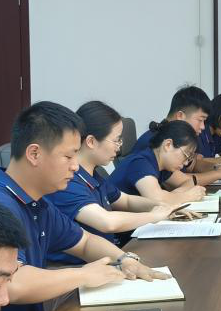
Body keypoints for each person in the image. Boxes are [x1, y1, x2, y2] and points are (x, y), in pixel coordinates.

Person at [0, 101, 168, 311]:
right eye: (68, 156)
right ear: (34, 154)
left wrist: (124, 259)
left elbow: (84, 242)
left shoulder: (38, 202)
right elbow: (13, 283)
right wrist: (83, 275)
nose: (76, 166)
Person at [44, 100, 201, 258]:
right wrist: (154, 216)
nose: (119, 147)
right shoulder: (68, 181)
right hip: (76, 266)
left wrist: (165, 208)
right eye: (116, 140)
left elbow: (126, 200)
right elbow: (107, 222)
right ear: (91, 141)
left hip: (104, 257)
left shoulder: (94, 176)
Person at [130, 85, 221, 187]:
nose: (202, 127)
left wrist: (217, 168)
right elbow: (178, 182)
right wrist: (218, 174)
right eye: (200, 120)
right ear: (180, 116)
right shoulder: (157, 142)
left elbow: (194, 164)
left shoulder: (176, 137)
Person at [109, 119, 210, 204]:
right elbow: (157, 200)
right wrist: (186, 196)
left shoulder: (162, 165)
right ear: (168, 145)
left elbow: (189, 181)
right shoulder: (140, 163)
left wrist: (175, 196)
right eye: (186, 155)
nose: (186, 163)